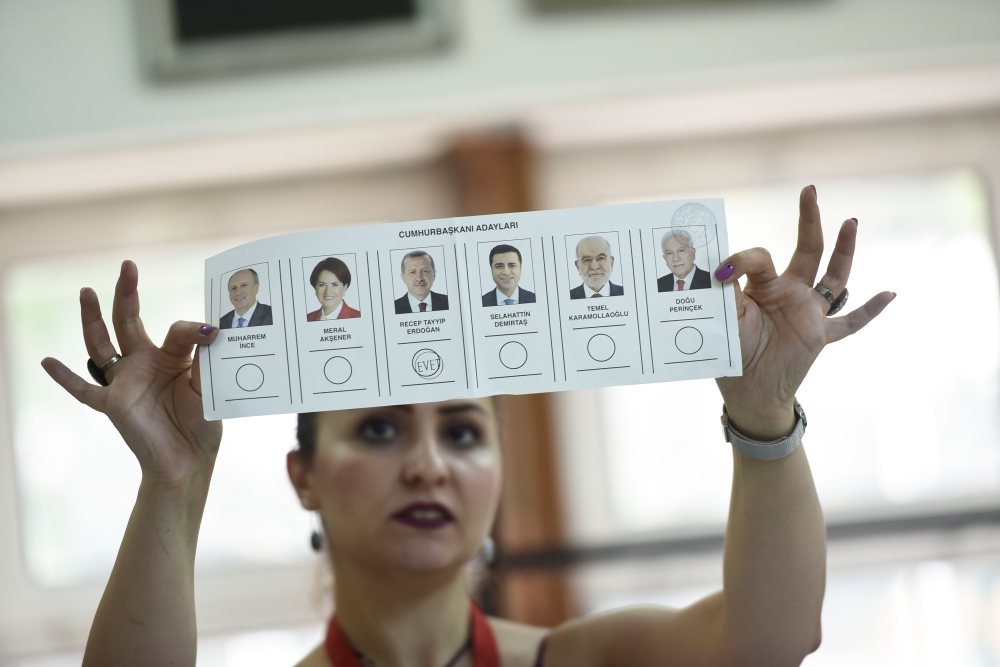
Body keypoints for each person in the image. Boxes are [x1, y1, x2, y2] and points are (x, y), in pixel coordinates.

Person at [42, 186, 894, 667]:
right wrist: (172, 482)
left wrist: (764, 419)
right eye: (378, 431)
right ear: (303, 475)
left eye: (462, 433)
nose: (428, 466)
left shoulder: (579, 660)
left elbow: (774, 637)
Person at [307, 257, 361, 321]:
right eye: (322, 285)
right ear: (315, 288)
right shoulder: (308, 318)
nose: (328, 292)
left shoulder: (358, 317)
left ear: (345, 287)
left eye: (334, 285)